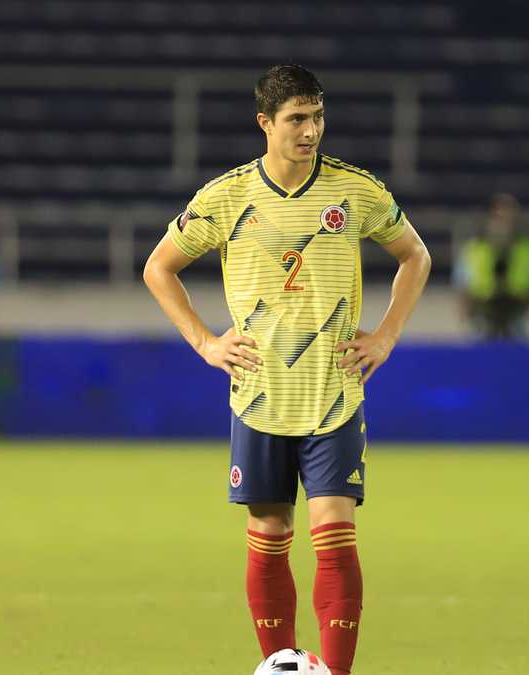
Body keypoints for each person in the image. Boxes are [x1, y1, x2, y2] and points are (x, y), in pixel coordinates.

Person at [143, 64, 431, 675]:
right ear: (265, 123)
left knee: (334, 534)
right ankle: (279, 664)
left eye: (317, 117)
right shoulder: (226, 198)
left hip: (333, 394)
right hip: (259, 396)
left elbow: (415, 255)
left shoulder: (355, 192)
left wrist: (385, 337)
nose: (310, 130)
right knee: (270, 535)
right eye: (297, 119)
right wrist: (204, 343)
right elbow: (158, 268)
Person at [454, 193, 529, 338]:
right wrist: (465, 312)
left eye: (509, 217)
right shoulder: (474, 249)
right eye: (499, 217)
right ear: (490, 217)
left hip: (517, 317)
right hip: (483, 316)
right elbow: (462, 285)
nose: (504, 222)